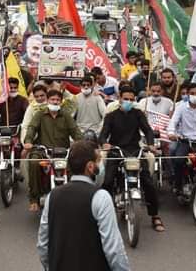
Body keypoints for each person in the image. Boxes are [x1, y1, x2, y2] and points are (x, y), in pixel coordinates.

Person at [37, 140, 130, 271]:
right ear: (90, 167)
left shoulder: (52, 196)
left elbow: (43, 244)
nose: (101, 165)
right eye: (99, 161)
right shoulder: (101, 197)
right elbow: (114, 250)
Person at [100, 86, 164, 233]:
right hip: (116, 151)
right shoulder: (111, 116)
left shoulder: (138, 114)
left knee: (148, 182)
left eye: (131, 99)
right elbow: (103, 134)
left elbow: (147, 130)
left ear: (134, 100)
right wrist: (105, 143)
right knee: (108, 181)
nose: (128, 101)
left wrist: (150, 144)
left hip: (135, 150)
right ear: (119, 99)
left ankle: (155, 216)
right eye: (125, 99)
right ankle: (103, 214)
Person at [24, 89, 83, 212]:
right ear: (47, 101)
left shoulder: (66, 115)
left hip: (63, 151)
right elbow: (31, 128)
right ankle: (34, 198)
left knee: (77, 165)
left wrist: (81, 143)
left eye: (57, 100)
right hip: (43, 150)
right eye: (52, 99)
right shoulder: (40, 114)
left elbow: (75, 131)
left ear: (61, 102)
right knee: (34, 162)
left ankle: (76, 197)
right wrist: (28, 141)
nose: (55, 102)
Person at [167, 82, 196, 192]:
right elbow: (173, 121)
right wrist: (171, 133)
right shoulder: (181, 107)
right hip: (185, 141)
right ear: (188, 94)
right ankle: (178, 184)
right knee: (179, 160)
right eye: (192, 93)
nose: (194, 95)